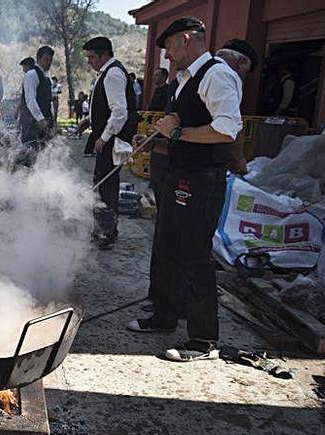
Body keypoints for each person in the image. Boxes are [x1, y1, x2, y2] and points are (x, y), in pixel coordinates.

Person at [125, 17, 242, 363]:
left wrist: (177, 134)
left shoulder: (216, 75)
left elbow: (226, 130)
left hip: (203, 179)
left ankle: (204, 340)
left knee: (194, 255)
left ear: (187, 40)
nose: (167, 56)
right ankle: (164, 316)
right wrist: (156, 140)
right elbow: (179, 124)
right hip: (178, 173)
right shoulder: (185, 79)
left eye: (170, 48)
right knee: (166, 247)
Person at [76, 36, 138, 249]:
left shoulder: (113, 74)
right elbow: (105, 106)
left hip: (112, 141)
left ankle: (106, 233)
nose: (89, 61)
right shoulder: (107, 73)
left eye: (92, 57)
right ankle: (104, 229)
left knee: (105, 186)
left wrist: (103, 138)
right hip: (109, 138)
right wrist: (89, 120)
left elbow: (120, 112)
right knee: (103, 183)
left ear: (105, 54)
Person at [216, 38, 258, 174]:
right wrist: (238, 159)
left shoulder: (197, 70)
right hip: (206, 161)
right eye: (246, 71)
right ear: (242, 61)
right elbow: (231, 123)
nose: (243, 76)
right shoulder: (228, 77)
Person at [18, 46, 55, 152]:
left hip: (44, 122)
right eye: (46, 60)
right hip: (32, 121)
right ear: (38, 58)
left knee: (41, 152)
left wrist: (51, 118)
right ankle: (17, 169)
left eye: (50, 60)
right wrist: (40, 119)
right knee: (29, 151)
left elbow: (49, 101)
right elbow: (30, 100)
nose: (49, 63)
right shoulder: (31, 75)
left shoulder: (47, 78)